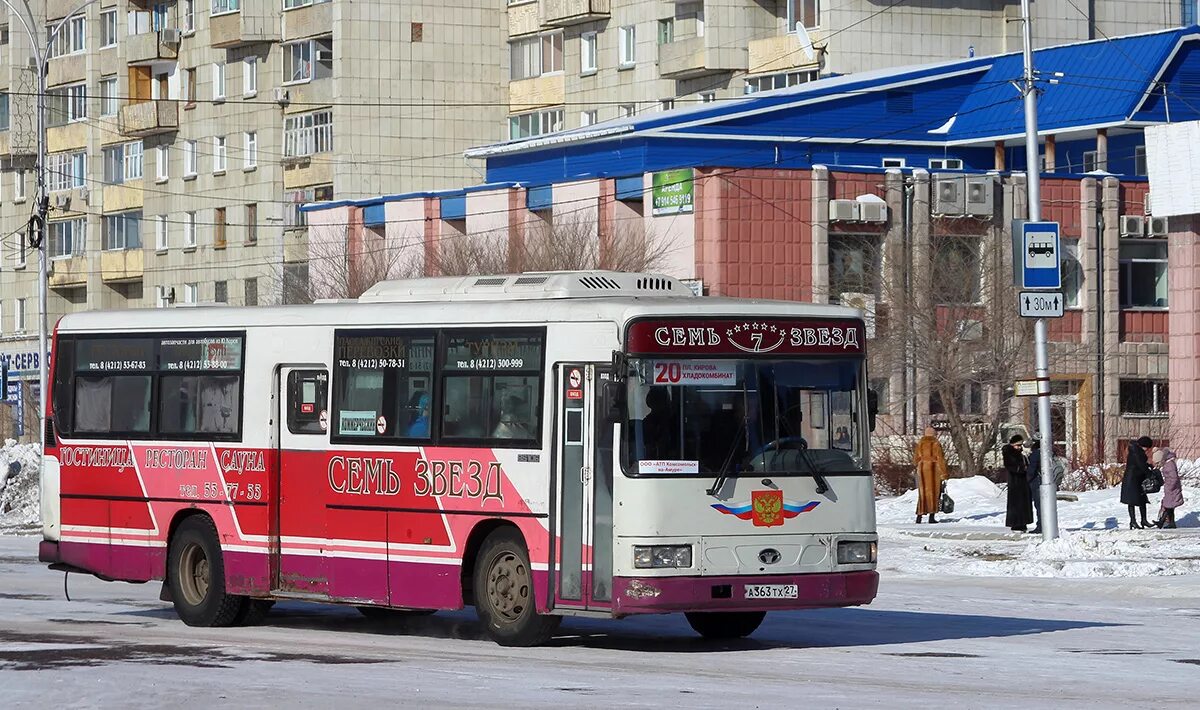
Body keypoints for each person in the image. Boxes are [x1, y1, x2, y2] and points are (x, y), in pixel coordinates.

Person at [914, 427, 949, 524]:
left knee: (922, 493)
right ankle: (931, 517)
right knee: (934, 492)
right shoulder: (936, 443)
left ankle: (919, 517)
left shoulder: (920, 444)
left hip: (922, 468)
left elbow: (916, 459)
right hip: (933, 469)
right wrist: (944, 473)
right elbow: (940, 459)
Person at [1120, 436, 1154, 529]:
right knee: (1132, 501)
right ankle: (1133, 521)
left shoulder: (1136, 451)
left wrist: (1148, 465)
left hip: (1136, 478)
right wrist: (1149, 473)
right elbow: (1140, 465)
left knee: (1141, 500)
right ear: (1144, 445)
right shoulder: (1136, 452)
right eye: (1147, 447)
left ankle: (1143, 520)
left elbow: (1139, 463)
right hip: (1132, 479)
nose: (1147, 449)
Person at [1002, 434, 1033, 532]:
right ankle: (1016, 523)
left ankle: (1022, 523)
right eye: (1017, 445)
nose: (1019, 447)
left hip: (1022, 482)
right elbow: (1011, 467)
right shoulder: (1009, 453)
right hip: (1015, 482)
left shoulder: (1020, 454)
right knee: (1016, 503)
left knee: (1023, 503)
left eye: (1020, 445)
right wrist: (1022, 469)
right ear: (1013, 445)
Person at [1151, 447, 1185, 529]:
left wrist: (1170, 486)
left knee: (1168, 505)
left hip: (1172, 489)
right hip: (1170, 488)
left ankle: (1163, 522)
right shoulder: (1168, 463)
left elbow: (1174, 478)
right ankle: (1168, 522)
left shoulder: (1169, 465)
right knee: (1169, 506)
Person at [1026, 438, 1043, 534]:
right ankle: (1044, 525)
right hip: (1047, 482)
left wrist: (1026, 479)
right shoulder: (1049, 452)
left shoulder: (1036, 453)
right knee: (1044, 505)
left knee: (1039, 505)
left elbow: (1031, 470)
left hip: (1037, 482)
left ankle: (1040, 526)